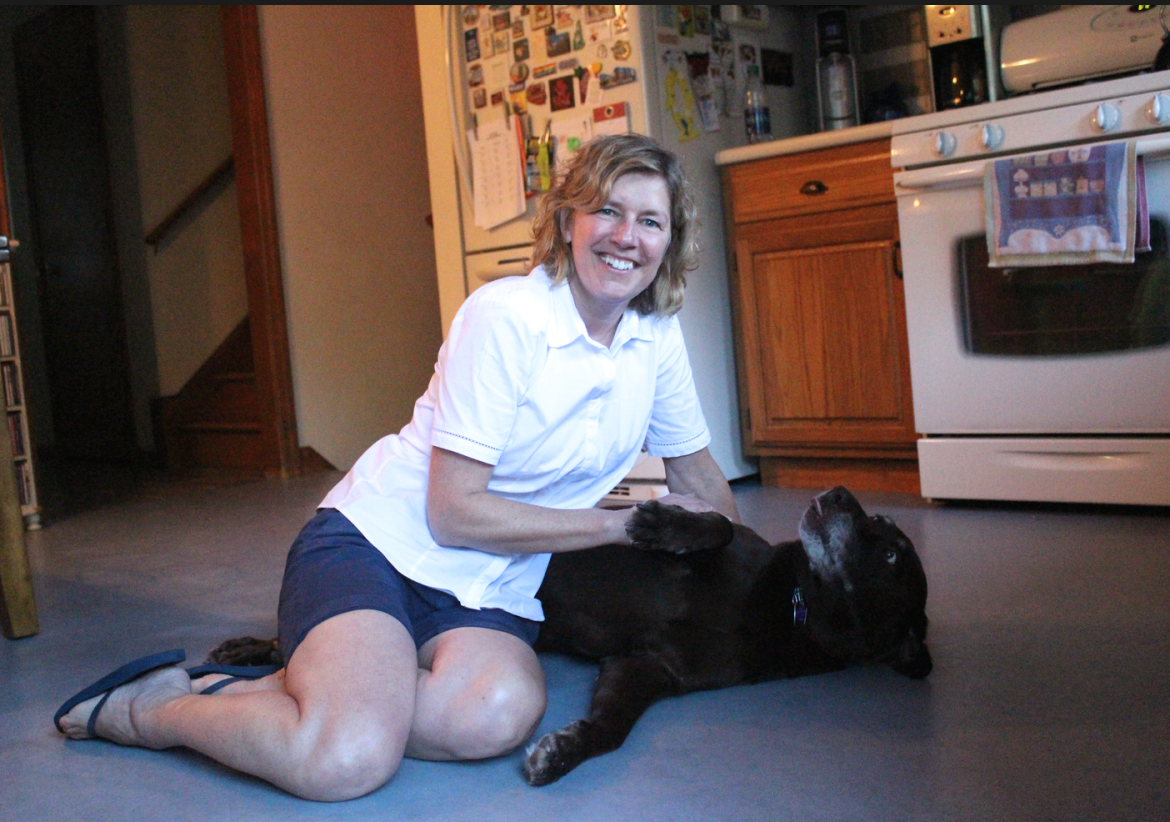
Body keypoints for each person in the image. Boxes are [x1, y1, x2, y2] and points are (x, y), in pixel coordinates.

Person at [55, 134, 741, 801]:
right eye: (608, 211)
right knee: (345, 760)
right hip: (380, 547)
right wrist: (622, 528)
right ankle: (151, 709)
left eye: (650, 221)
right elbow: (453, 511)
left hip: (490, 586)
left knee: (495, 714)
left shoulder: (654, 338)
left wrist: (746, 561)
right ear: (568, 222)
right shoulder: (506, 317)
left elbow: (706, 485)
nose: (628, 236)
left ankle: (306, 689)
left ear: (669, 242)